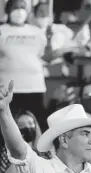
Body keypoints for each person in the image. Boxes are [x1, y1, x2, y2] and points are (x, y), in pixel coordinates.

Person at [0, 0, 53, 131]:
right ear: (8, 10)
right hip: (9, 88)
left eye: (22, 7)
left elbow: (45, 57)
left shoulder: (37, 32)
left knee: (37, 126)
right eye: (15, 7)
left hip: (35, 86)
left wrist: (51, 41)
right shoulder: (2, 30)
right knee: (8, 126)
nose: (19, 11)